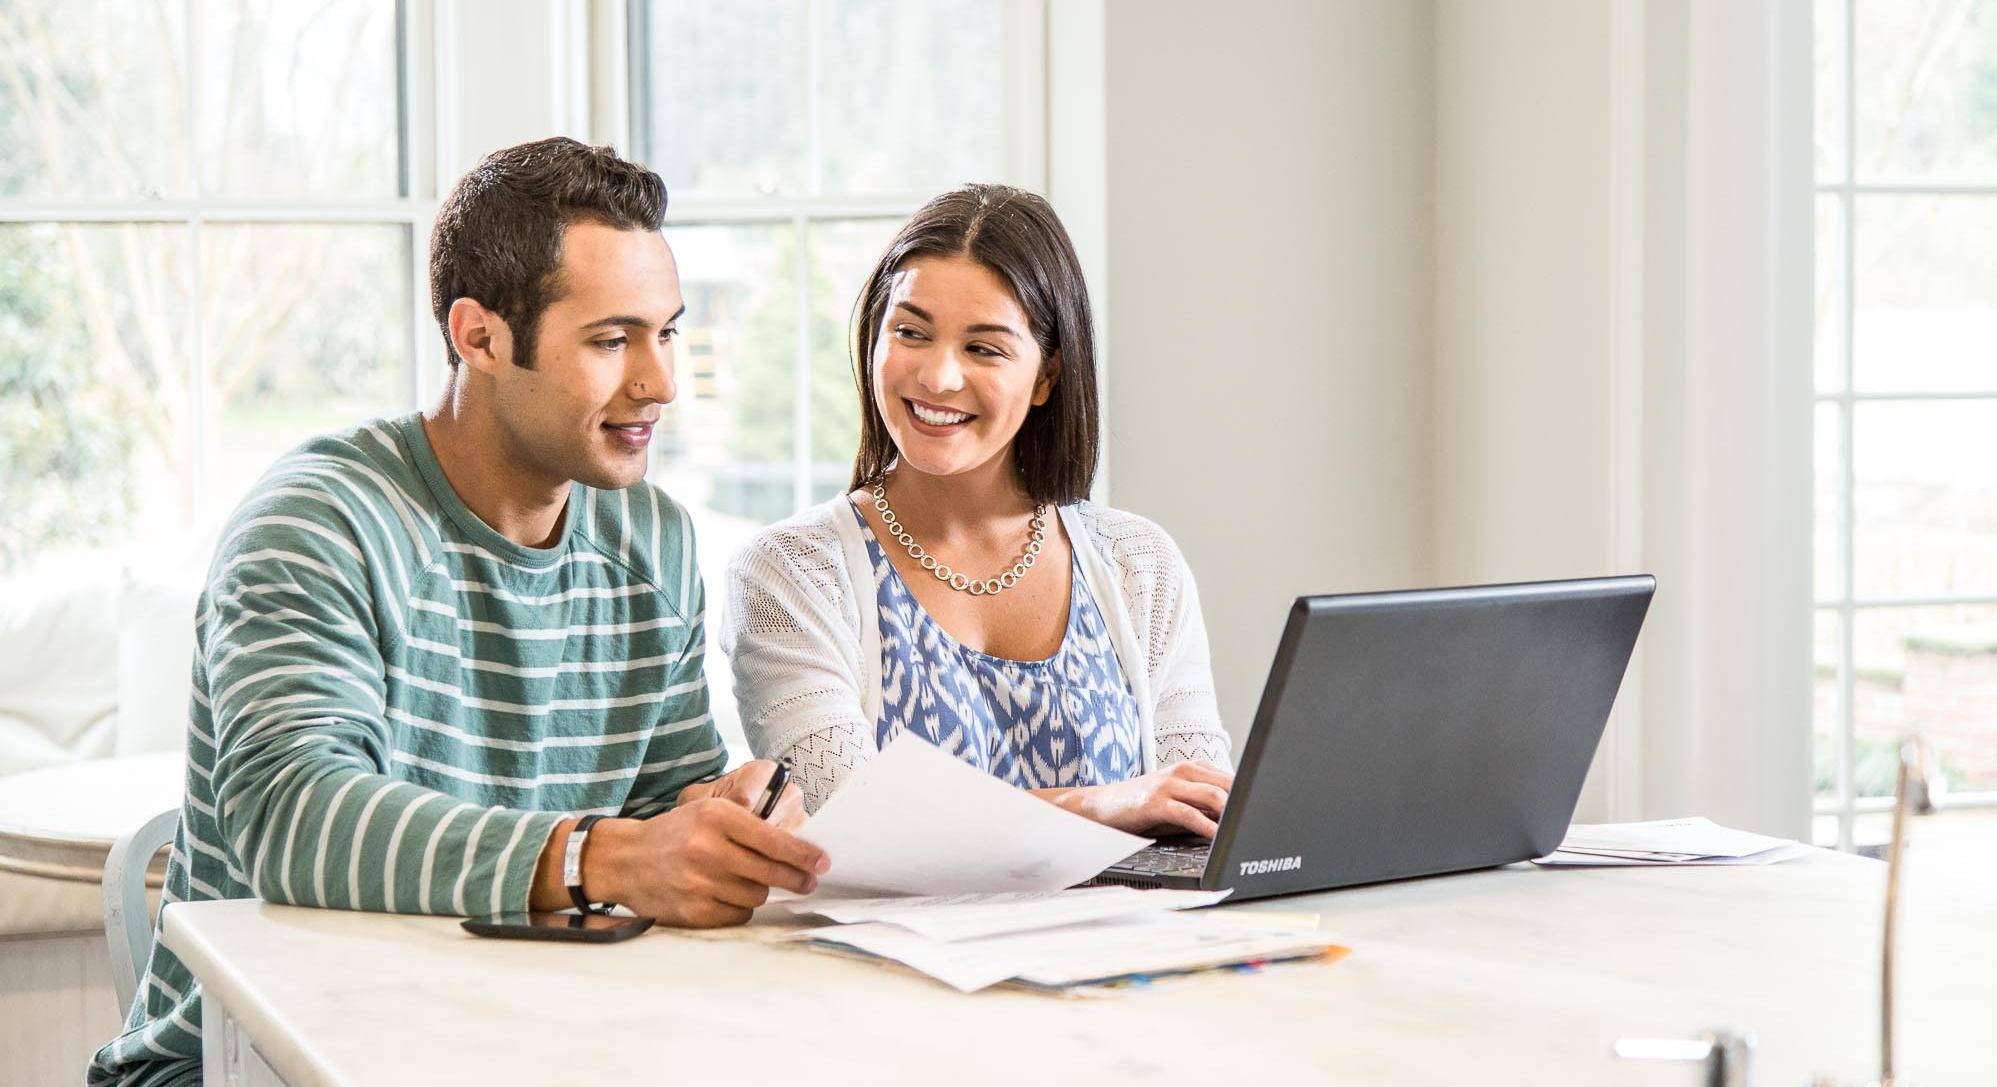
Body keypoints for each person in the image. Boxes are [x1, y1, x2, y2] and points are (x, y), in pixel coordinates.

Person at [90, 137, 827, 1087]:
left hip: (526, 1044)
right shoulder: (321, 522)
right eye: (611, 340)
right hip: (248, 1062)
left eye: (667, 332)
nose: (659, 383)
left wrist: (717, 820)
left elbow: (654, 810)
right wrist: (595, 858)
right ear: (477, 335)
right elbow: (292, 818)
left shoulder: (654, 540)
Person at [721, 183, 1234, 837]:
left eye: (983, 348)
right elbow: (850, 823)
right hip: (885, 943)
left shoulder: (1140, 563)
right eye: (910, 332)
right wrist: (1094, 804)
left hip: (1123, 941)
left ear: (1046, 375)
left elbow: (1198, 811)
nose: (936, 377)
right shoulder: (790, 573)